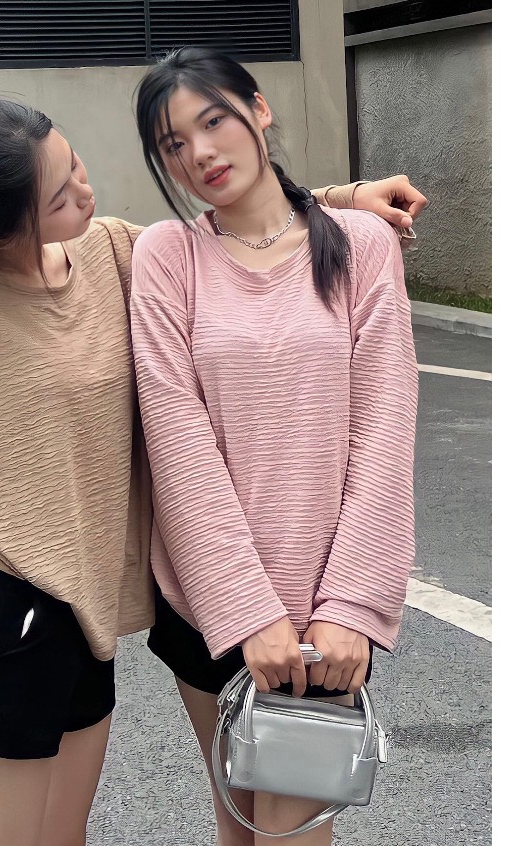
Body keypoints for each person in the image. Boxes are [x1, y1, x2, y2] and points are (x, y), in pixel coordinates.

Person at [0, 94, 425, 846]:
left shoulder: (115, 254)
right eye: (58, 196)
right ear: (5, 226)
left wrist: (341, 199)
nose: (84, 193)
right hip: (4, 624)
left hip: (84, 635)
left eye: (75, 165)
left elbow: (236, 237)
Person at [129, 47, 419, 845]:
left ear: (258, 110)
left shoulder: (360, 244)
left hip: (325, 622)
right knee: (237, 831)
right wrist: (246, 614)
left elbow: (385, 431)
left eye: (213, 121)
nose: (200, 153)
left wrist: (351, 607)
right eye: (173, 143)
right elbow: (178, 441)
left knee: (289, 839)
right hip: (209, 607)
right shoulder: (167, 255)